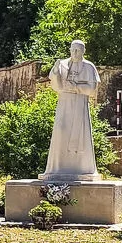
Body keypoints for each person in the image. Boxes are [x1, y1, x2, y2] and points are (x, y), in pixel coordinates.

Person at [43, 40, 101, 182]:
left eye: (78, 50)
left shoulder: (89, 67)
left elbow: (92, 90)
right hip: (64, 103)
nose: (75, 53)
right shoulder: (63, 64)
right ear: (70, 50)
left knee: (81, 134)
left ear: (83, 51)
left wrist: (76, 87)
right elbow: (56, 85)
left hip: (80, 103)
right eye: (73, 50)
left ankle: (82, 166)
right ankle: (58, 166)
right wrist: (56, 72)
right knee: (61, 132)